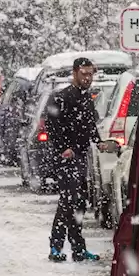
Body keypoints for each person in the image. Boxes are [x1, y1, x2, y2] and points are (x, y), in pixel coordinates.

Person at [44, 57, 102, 263]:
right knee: (67, 202)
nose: (88, 78)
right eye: (84, 74)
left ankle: (78, 249)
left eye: (90, 74)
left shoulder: (86, 97)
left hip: (81, 154)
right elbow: (52, 125)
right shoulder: (61, 97)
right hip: (66, 158)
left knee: (79, 202)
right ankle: (56, 247)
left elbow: (89, 124)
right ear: (75, 73)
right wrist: (63, 149)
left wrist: (99, 142)